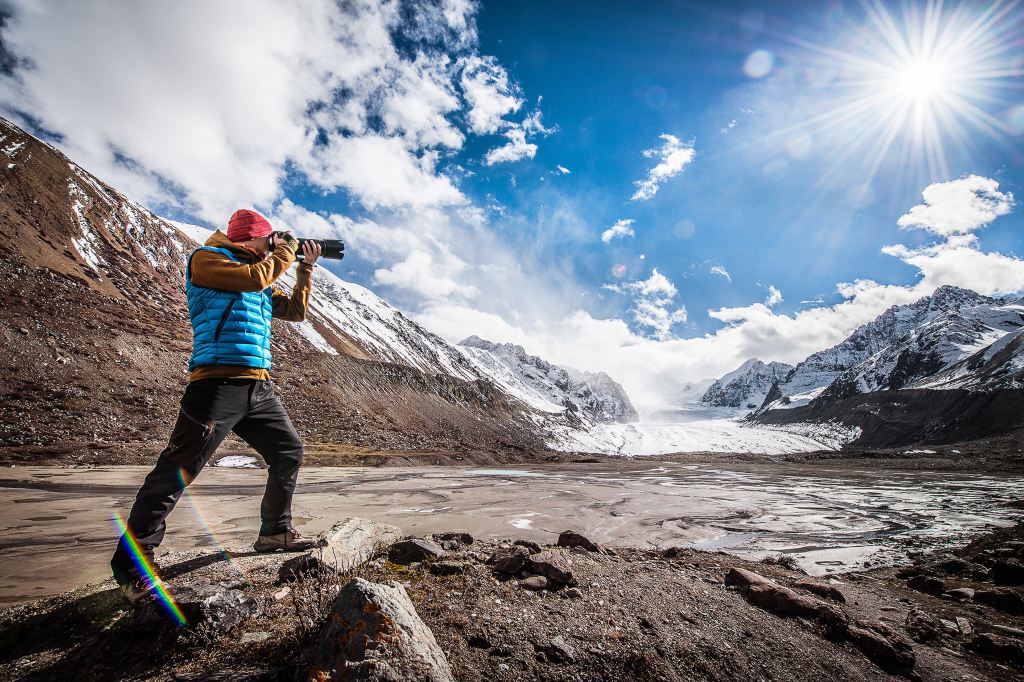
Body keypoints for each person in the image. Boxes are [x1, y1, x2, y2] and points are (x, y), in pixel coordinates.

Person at [111, 208, 322, 603]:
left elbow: (296, 312)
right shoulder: (208, 261)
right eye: (269, 240)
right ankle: (131, 568)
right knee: (177, 471)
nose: (274, 246)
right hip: (216, 385)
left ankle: (275, 531)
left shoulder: (257, 273)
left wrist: (304, 268)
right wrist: (285, 252)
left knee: (287, 450)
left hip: (257, 387)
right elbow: (255, 278)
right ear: (253, 239)